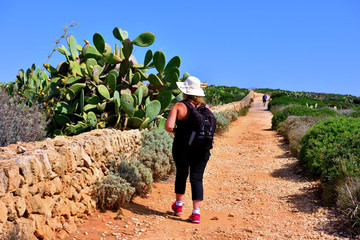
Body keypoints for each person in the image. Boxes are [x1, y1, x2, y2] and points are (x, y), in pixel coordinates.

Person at [165, 76, 213, 224]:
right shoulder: (207, 109)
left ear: (185, 91)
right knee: (197, 178)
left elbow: (168, 126)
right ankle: (196, 213)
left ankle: (178, 206)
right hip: (202, 149)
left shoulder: (179, 106)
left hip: (182, 148)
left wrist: (178, 133)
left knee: (181, 174)